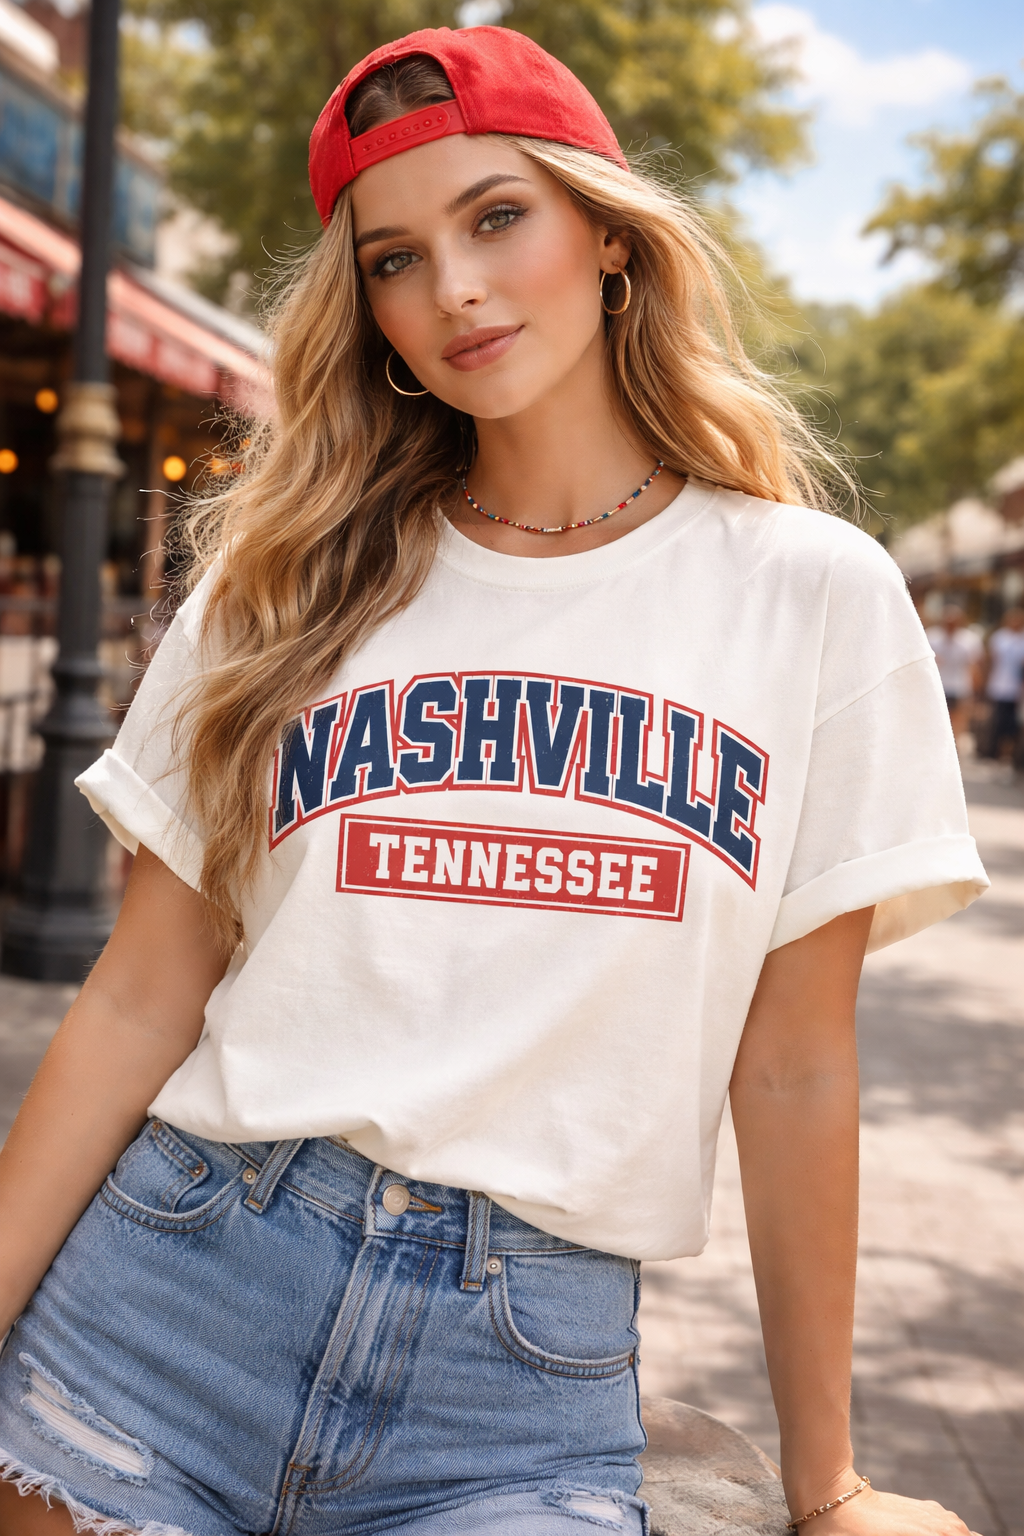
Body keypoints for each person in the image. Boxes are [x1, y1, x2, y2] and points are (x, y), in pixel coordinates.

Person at [0, 27, 989, 1536]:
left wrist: (828, 1485)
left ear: (605, 234)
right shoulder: (287, 582)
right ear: (369, 313)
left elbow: (793, 1067)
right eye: (394, 260)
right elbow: (141, 994)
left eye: (499, 217)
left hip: (517, 1398)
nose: (453, 286)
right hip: (165, 1308)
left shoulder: (811, 596)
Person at [925, 605, 983, 749]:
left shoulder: (969, 639)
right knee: (936, 718)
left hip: (960, 686)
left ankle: (953, 748)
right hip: (938, 685)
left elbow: (974, 666)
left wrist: (977, 691)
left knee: (958, 720)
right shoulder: (931, 636)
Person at [984, 606, 1024, 766]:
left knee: (1011, 725)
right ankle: (994, 753)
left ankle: (1007, 756)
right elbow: (991, 661)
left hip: (1016, 690)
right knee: (996, 722)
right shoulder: (999, 637)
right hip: (998, 686)